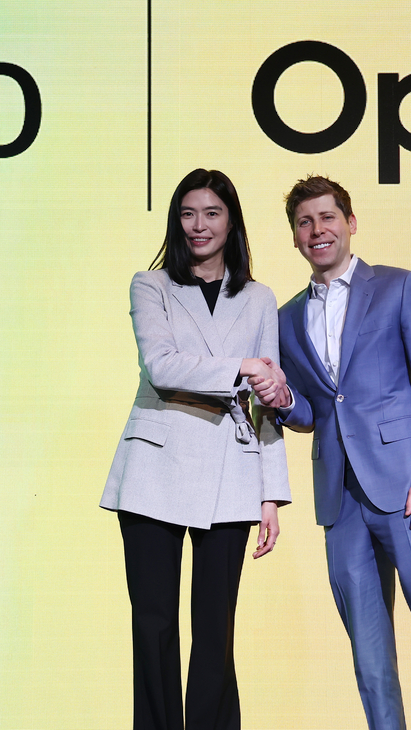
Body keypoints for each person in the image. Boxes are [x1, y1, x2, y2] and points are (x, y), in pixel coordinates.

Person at [249, 175, 411, 730]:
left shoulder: (400, 287)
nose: (318, 230)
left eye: (328, 218)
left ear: (350, 223)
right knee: (368, 656)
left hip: (407, 490)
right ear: (294, 237)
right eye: (305, 223)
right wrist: (285, 401)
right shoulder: (286, 318)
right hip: (340, 502)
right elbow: (316, 411)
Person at [101, 168, 291, 730]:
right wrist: (240, 366)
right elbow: (160, 367)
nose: (199, 225)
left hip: (232, 469)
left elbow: (268, 398)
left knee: (216, 627)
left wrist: (271, 494)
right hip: (155, 467)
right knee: (154, 623)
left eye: (212, 213)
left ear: (231, 221)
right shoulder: (151, 284)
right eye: (188, 213)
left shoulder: (258, 298)